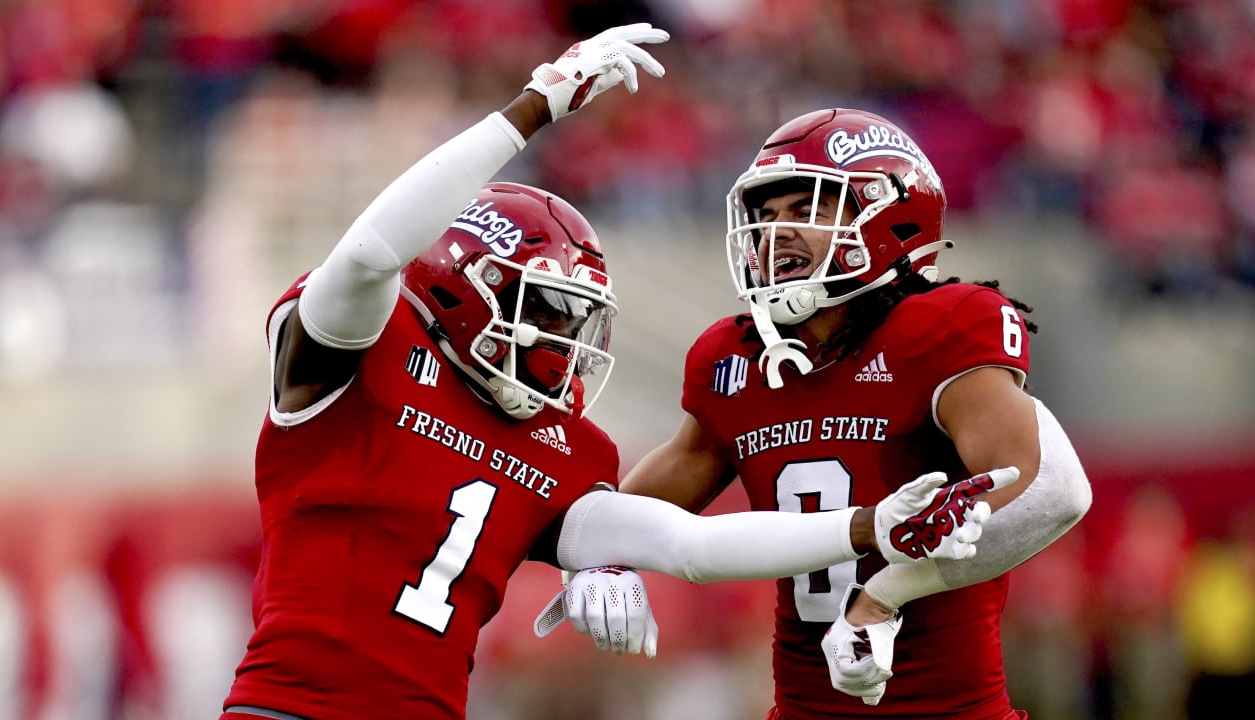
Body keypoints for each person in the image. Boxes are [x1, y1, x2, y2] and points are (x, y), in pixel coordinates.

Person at [218, 28, 1017, 720]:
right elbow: (366, 254)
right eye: (549, 312)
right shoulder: (359, 361)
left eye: (575, 320)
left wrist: (871, 528)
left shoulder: (558, 448)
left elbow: (690, 542)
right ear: (468, 285)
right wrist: (533, 108)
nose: (564, 344)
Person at [591, 108, 1094, 719]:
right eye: (766, 216)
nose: (777, 234)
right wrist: (597, 558)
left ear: (887, 215)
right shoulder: (735, 357)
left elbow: (1048, 489)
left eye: (807, 209)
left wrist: (884, 596)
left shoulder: (941, 327)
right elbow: (646, 504)